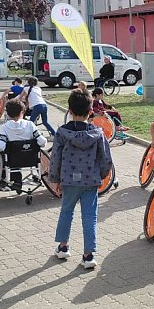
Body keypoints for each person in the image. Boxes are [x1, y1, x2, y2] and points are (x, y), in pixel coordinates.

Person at [48, 89, 113, 269]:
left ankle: (63, 247)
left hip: (69, 180)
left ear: (69, 110)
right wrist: (100, 175)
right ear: (91, 109)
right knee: (90, 217)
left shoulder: (61, 133)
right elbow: (106, 159)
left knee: (66, 212)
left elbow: (55, 158)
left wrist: (54, 178)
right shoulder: (98, 133)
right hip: (90, 181)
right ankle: (88, 255)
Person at [0, 99, 47, 190]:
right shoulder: (30, 125)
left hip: (13, 160)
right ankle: (34, 176)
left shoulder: (5, 127)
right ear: (22, 111)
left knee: (2, 152)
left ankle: (11, 180)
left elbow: (0, 145)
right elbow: (42, 141)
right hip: (31, 158)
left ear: (7, 114)